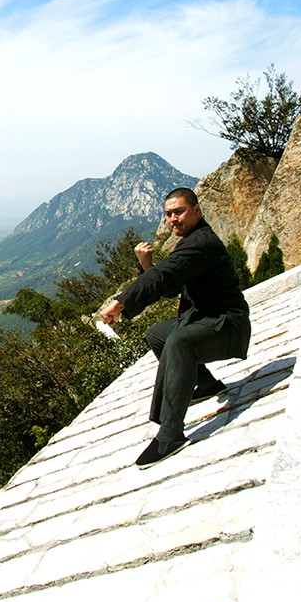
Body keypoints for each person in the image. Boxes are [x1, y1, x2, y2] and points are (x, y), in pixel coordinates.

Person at [97, 187, 251, 468]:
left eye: (178, 212)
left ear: (196, 211)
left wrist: (120, 303)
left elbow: (165, 274)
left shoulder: (202, 242)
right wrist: (146, 264)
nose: (172, 219)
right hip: (205, 320)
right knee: (157, 334)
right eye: (168, 214)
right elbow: (170, 285)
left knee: (179, 342)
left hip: (228, 325)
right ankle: (206, 384)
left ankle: (170, 433)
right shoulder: (191, 241)